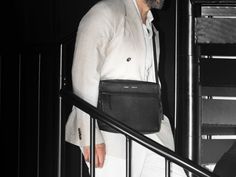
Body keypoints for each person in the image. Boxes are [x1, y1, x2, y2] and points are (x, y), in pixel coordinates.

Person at [65, 0, 187, 176]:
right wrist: (90, 136)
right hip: (112, 135)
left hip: (153, 134)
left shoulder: (151, 28)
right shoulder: (106, 12)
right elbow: (84, 75)